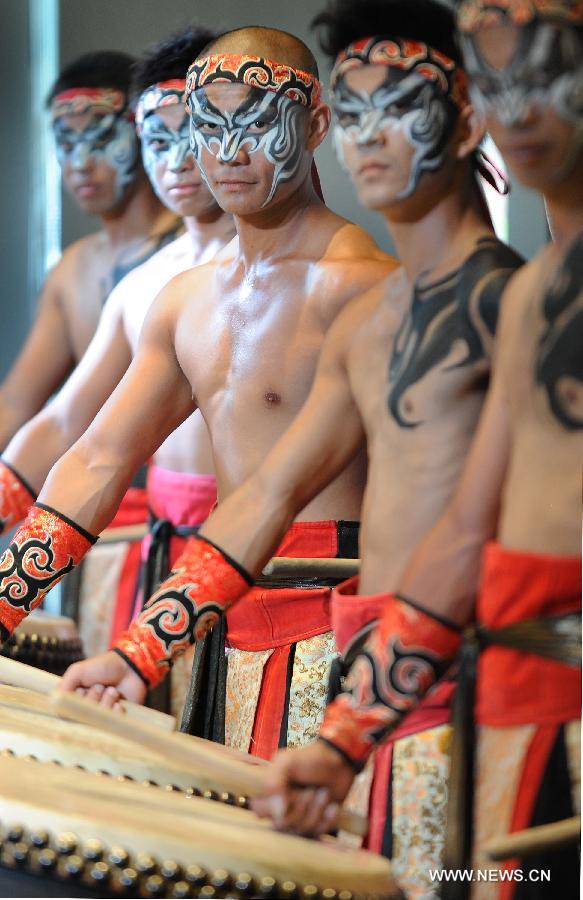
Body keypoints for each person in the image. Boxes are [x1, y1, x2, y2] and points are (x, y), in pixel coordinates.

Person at [83, 2, 523, 893]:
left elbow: (475, 538)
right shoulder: (377, 315)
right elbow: (268, 494)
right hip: (360, 676)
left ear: (470, 115)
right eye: (356, 110)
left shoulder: (489, 300)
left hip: (475, 687)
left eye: (399, 106)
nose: (372, 137)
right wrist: (138, 652)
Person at [253, 1, 582, 896]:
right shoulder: (536, 294)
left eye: (554, 68)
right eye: (501, 73)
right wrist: (344, 738)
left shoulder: (499, 293)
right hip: (494, 707)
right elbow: (468, 532)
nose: (523, 107)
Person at [0, 27, 394, 753]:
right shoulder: (184, 299)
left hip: (335, 628)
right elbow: (96, 456)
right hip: (215, 617)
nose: (224, 150)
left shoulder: (363, 287)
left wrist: (142, 645)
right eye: (206, 126)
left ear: (313, 124)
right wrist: (4, 598)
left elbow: (293, 497)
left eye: (255, 120)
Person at [0, 27, 236, 716]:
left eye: (195, 130)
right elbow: (63, 425)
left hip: (266, 564)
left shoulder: (300, 274)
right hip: (153, 549)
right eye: (159, 136)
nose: (178, 157)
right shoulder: (146, 285)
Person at [0, 51, 181, 456]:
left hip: (185, 501)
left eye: (100, 140)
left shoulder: (194, 251)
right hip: (91, 499)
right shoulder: (72, 269)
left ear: (144, 134)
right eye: (66, 142)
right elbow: (16, 402)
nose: (80, 163)